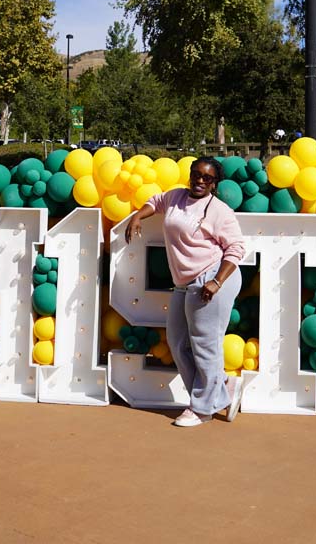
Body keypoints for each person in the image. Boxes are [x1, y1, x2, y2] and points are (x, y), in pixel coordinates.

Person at [125, 156, 246, 427]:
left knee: (205, 344)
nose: (200, 181)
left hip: (212, 279)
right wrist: (138, 216)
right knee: (177, 342)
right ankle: (224, 386)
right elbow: (156, 202)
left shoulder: (219, 211)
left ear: (215, 183)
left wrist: (216, 283)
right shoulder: (176, 197)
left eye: (208, 178)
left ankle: (202, 409)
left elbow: (236, 248)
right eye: (196, 175)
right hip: (184, 283)